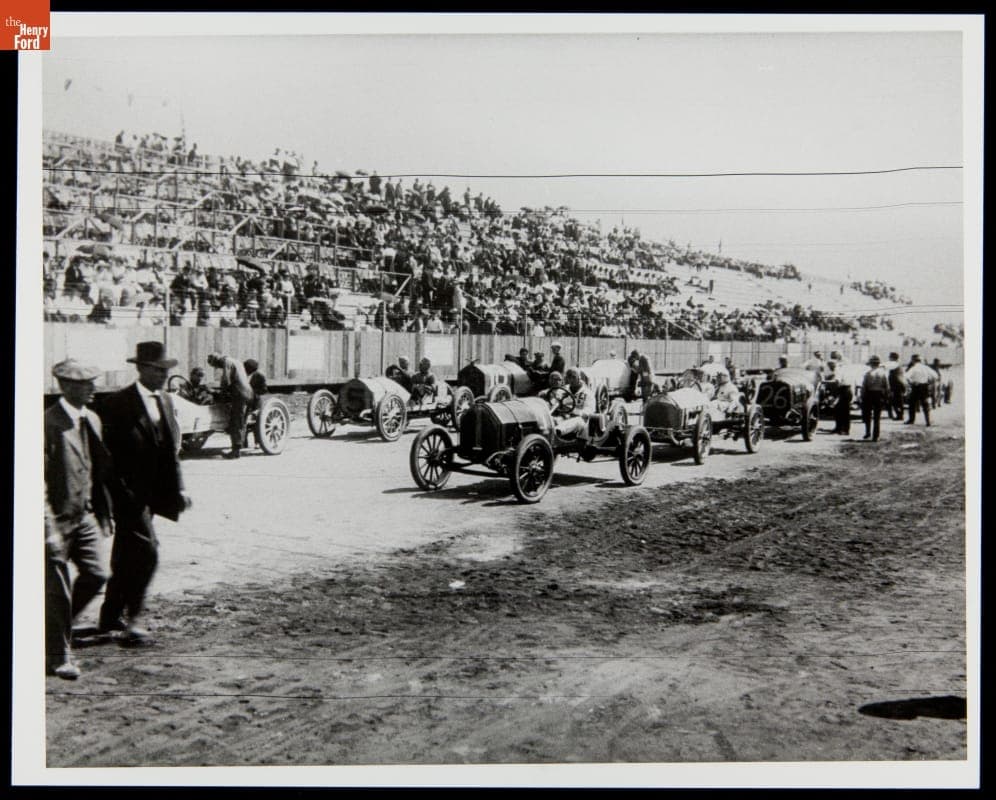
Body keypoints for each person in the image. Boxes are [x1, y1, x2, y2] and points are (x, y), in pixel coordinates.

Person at [97, 341, 191, 646]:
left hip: (154, 494)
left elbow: (169, 451)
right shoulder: (116, 404)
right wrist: (117, 494)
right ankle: (135, 617)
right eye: (157, 369)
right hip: (126, 495)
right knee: (148, 552)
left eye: (166, 369)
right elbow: (106, 458)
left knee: (126, 556)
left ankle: (110, 615)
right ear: (140, 368)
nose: (164, 375)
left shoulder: (164, 400)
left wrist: (179, 487)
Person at [44, 360, 114, 679]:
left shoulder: (93, 420)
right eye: (86, 383)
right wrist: (48, 530)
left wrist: (103, 512)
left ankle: (50, 629)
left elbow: (97, 472)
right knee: (58, 589)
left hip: (84, 517)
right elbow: (36, 482)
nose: (93, 388)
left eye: (92, 381)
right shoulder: (48, 424)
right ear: (66, 386)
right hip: (56, 522)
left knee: (98, 573)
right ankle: (59, 656)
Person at [207, 351, 254, 458]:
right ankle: (241, 444)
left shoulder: (226, 363)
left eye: (216, 366)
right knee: (240, 419)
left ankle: (236, 450)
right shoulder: (235, 361)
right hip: (246, 392)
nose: (218, 368)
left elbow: (226, 381)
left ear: (217, 361)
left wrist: (219, 393)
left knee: (236, 421)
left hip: (240, 394)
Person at [553, 368, 595, 439]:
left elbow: (589, 411)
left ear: (579, 377)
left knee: (576, 421)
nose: (571, 380)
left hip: (581, 422)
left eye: (574, 377)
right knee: (553, 420)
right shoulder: (563, 390)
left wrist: (573, 411)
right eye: (569, 377)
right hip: (563, 418)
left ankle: (555, 432)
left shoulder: (588, 393)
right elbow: (555, 402)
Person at [860, 354, 889, 442]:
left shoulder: (867, 374)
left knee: (867, 415)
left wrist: (862, 396)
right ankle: (876, 435)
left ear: (871, 364)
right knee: (877, 416)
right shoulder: (883, 373)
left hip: (869, 394)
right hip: (879, 394)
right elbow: (887, 386)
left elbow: (864, 387)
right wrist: (886, 397)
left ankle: (868, 432)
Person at [904, 354, 932, 427]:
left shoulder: (914, 368)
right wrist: (929, 382)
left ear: (913, 360)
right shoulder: (926, 368)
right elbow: (935, 376)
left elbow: (906, 376)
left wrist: (911, 381)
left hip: (916, 387)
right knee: (925, 404)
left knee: (912, 403)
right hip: (924, 386)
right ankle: (928, 421)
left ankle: (911, 420)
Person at [827, 361, 852, 435]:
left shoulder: (837, 371)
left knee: (844, 411)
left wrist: (826, 382)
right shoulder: (838, 370)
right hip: (844, 390)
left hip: (844, 390)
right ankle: (838, 428)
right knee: (838, 411)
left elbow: (837, 382)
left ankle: (845, 429)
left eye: (831, 365)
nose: (830, 367)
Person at [884, 352, 906, 420]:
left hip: (896, 385)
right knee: (897, 401)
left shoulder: (895, 363)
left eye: (890, 357)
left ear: (892, 358)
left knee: (896, 401)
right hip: (898, 384)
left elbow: (886, 366)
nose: (889, 358)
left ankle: (899, 415)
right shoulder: (898, 364)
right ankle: (898, 414)